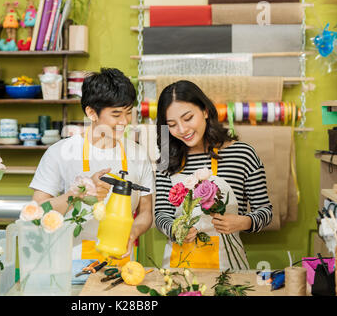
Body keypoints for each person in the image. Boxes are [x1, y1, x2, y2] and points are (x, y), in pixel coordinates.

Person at [29, 68, 154, 264]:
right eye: (116, 114)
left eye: (128, 113)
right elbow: (37, 213)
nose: (124, 121)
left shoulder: (138, 154)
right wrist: (79, 193)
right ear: (91, 112)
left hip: (121, 262)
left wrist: (133, 232)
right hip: (71, 264)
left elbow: (146, 211)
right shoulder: (59, 152)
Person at [154, 80, 273, 270]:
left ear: (205, 111)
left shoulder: (243, 154)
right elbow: (161, 214)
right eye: (172, 124)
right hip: (178, 268)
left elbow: (265, 211)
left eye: (188, 118)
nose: (182, 130)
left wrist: (244, 222)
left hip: (230, 269)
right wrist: (175, 230)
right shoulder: (167, 161)